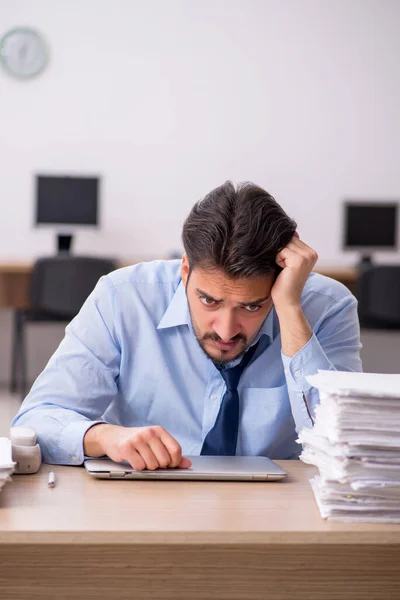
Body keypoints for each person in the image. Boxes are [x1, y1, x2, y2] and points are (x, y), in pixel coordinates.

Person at [12, 181, 362, 470]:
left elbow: (347, 449)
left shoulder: (327, 308)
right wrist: (105, 436)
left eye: (251, 306)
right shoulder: (123, 298)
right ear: (184, 272)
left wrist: (288, 308)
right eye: (209, 300)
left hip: (279, 519)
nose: (226, 331)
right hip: (144, 510)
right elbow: (36, 421)